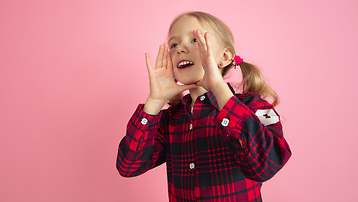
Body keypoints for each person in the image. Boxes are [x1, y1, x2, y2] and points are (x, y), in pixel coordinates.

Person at [116, 11, 291, 202]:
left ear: (224, 57)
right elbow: (128, 166)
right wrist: (154, 101)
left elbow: (267, 165)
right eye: (174, 44)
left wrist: (217, 87)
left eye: (195, 40)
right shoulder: (170, 120)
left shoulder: (253, 106)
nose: (180, 49)